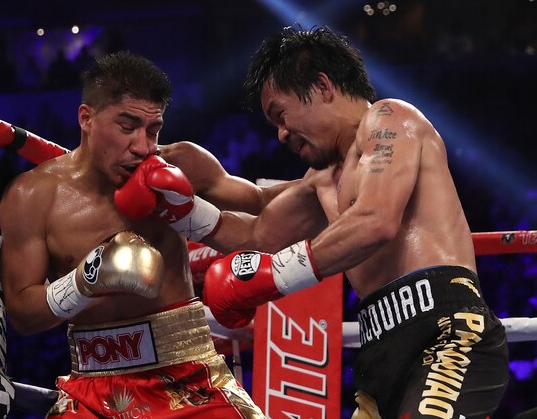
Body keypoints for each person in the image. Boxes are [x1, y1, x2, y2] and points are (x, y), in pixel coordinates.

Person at [118, 26, 509, 418]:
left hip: (446, 335)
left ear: (322, 86)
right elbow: (257, 232)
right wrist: (184, 209)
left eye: (281, 114)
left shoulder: (391, 119)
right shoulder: (322, 181)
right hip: (380, 356)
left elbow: (375, 221)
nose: (281, 133)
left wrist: (276, 275)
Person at [0, 50, 282, 418]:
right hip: (92, 389)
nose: (143, 146)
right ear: (86, 118)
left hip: (189, 377)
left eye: (153, 129)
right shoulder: (32, 197)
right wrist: (85, 281)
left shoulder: (180, 165)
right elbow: (21, 313)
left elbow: (262, 202)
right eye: (127, 126)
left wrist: (337, 177)